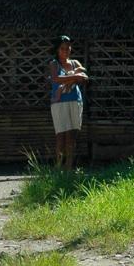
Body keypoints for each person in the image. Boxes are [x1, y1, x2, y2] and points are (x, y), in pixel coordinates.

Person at [49, 35, 87, 170]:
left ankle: (69, 167)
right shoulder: (54, 64)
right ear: (57, 50)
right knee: (61, 135)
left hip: (75, 101)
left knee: (72, 136)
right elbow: (56, 79)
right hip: (59, 103)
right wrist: (75, 77)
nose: (66, 51)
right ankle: (58, 166)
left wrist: (71, 79)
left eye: (68, 48)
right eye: (62, 48)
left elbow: (84, 77)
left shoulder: (75, 63)